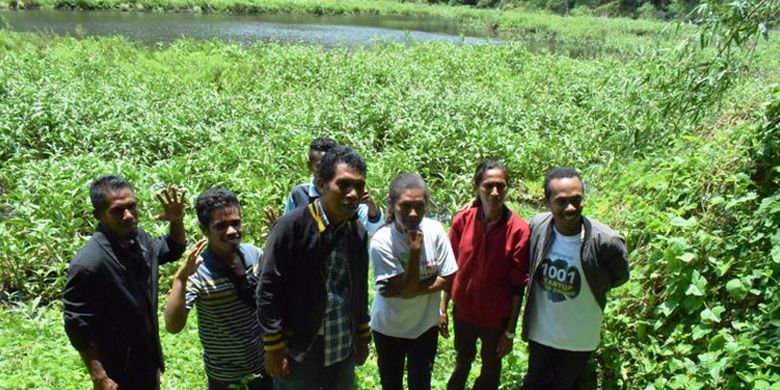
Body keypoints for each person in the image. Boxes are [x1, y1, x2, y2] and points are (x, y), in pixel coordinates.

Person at [256, 145, 372, 390]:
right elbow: (267, 288)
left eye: (359, 186)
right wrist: (273, 346)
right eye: (344, 185)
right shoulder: (291, 227)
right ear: (321, 185)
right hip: (299, 344)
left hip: (341, 340)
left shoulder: (357, 232)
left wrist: (362, 335)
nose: (353, 194)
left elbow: (359, 288)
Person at [63, 175, 186, 390]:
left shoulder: (138, 240)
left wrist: (176, 220)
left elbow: (172, 248)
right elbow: (78, 325)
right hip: (117, 371)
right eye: (117, 211)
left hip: (147, 359)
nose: (128, 216)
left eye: (131, 206)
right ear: (98, 215)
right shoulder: (90, 263)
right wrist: (99, 377)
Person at [521, 167, 629, 389]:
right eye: (561, 202)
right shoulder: (538, 227)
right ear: (547, 202)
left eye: (576, 200)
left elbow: (619, 276)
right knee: (534, 383)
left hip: (579, 339)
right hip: (541, 334)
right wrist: (477, 206)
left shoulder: (605, 242)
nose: (570, 208)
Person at [163, 189, 272, 390]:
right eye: (221, 226)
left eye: (236, 223)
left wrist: (279, 244)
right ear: (204, 230)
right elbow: (173, 326)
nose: (231, 231)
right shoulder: (199, 271)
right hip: (225, 377)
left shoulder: (255, 254)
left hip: (264, 366)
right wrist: (181, 278)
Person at [443, 160, 530, 390]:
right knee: (462, 361)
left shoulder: (518, 230)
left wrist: (509, 333)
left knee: (491, 369)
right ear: (476, 187)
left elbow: (517, 286)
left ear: (507, 188)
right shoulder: (462, 221)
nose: (494, 192)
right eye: (488, 186)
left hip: (495, 319)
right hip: (463, 312)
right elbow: (449, 268)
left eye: (501, 186)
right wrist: (442, 308)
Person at [369, 173, 458, 390]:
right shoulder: (382, 241)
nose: (413, 213)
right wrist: (415, 252)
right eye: (405, 206)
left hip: (424, 327)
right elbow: (417, 286)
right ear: (391, 205)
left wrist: (403, 290)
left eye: (419, 206)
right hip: (389, 328)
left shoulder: (435, 231)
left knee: (421, 384)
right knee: (392, 384)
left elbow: (448, 278)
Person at [265, 137, 384, 236]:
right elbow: (289, 231)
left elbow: (372, 232)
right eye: (319, 167)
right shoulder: (299, 194)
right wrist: (279, 231)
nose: (324, 172)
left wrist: (371, 206)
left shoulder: (350, 198)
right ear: (309, 166)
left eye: (330, 167)